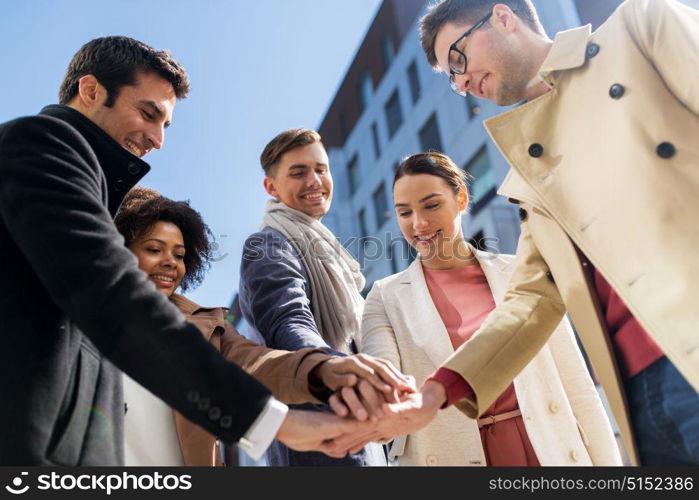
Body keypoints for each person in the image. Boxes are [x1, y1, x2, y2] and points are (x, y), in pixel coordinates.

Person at [336, 0, 699, 466]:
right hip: (641, 396)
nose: (462, 82)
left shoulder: (641, 29)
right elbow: (530, 302)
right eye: (452, 76)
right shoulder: (528, 173)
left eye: (459, 58)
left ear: (503, 17)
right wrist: (433, 396)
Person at [0, 36, 391, 465]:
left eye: (165, 125)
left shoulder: (198, 321)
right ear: (91, 91)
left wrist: (323, 369)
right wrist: (274, 422)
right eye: (149, 114)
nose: (157, 139)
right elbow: (109, 293)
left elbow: (253, 361)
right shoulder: (40, 142)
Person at [357, 153, 621, 466]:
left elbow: (577, 387)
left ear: (461, 199)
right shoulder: (385, 297)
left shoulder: (522, 274)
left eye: (431, 205)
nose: (419, 223)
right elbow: (382, 379)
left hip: (550, 445)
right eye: (405, 213)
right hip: (452, 455)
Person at [114, 187, 406, 466]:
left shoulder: (207, 328)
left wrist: (322, 369)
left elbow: (258, 363)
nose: (170, 263)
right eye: (154, 249)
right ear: (116, 249)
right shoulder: (80, 315)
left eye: (179, 255)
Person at [239, 128, 400, 466]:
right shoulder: (268, 244)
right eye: (298, 172)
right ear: (272, 187)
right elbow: (287, 321)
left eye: (321, 169)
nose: (314, 181)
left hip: (359, 431)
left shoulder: (328, 252)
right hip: (318, 441)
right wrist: (334, 367)